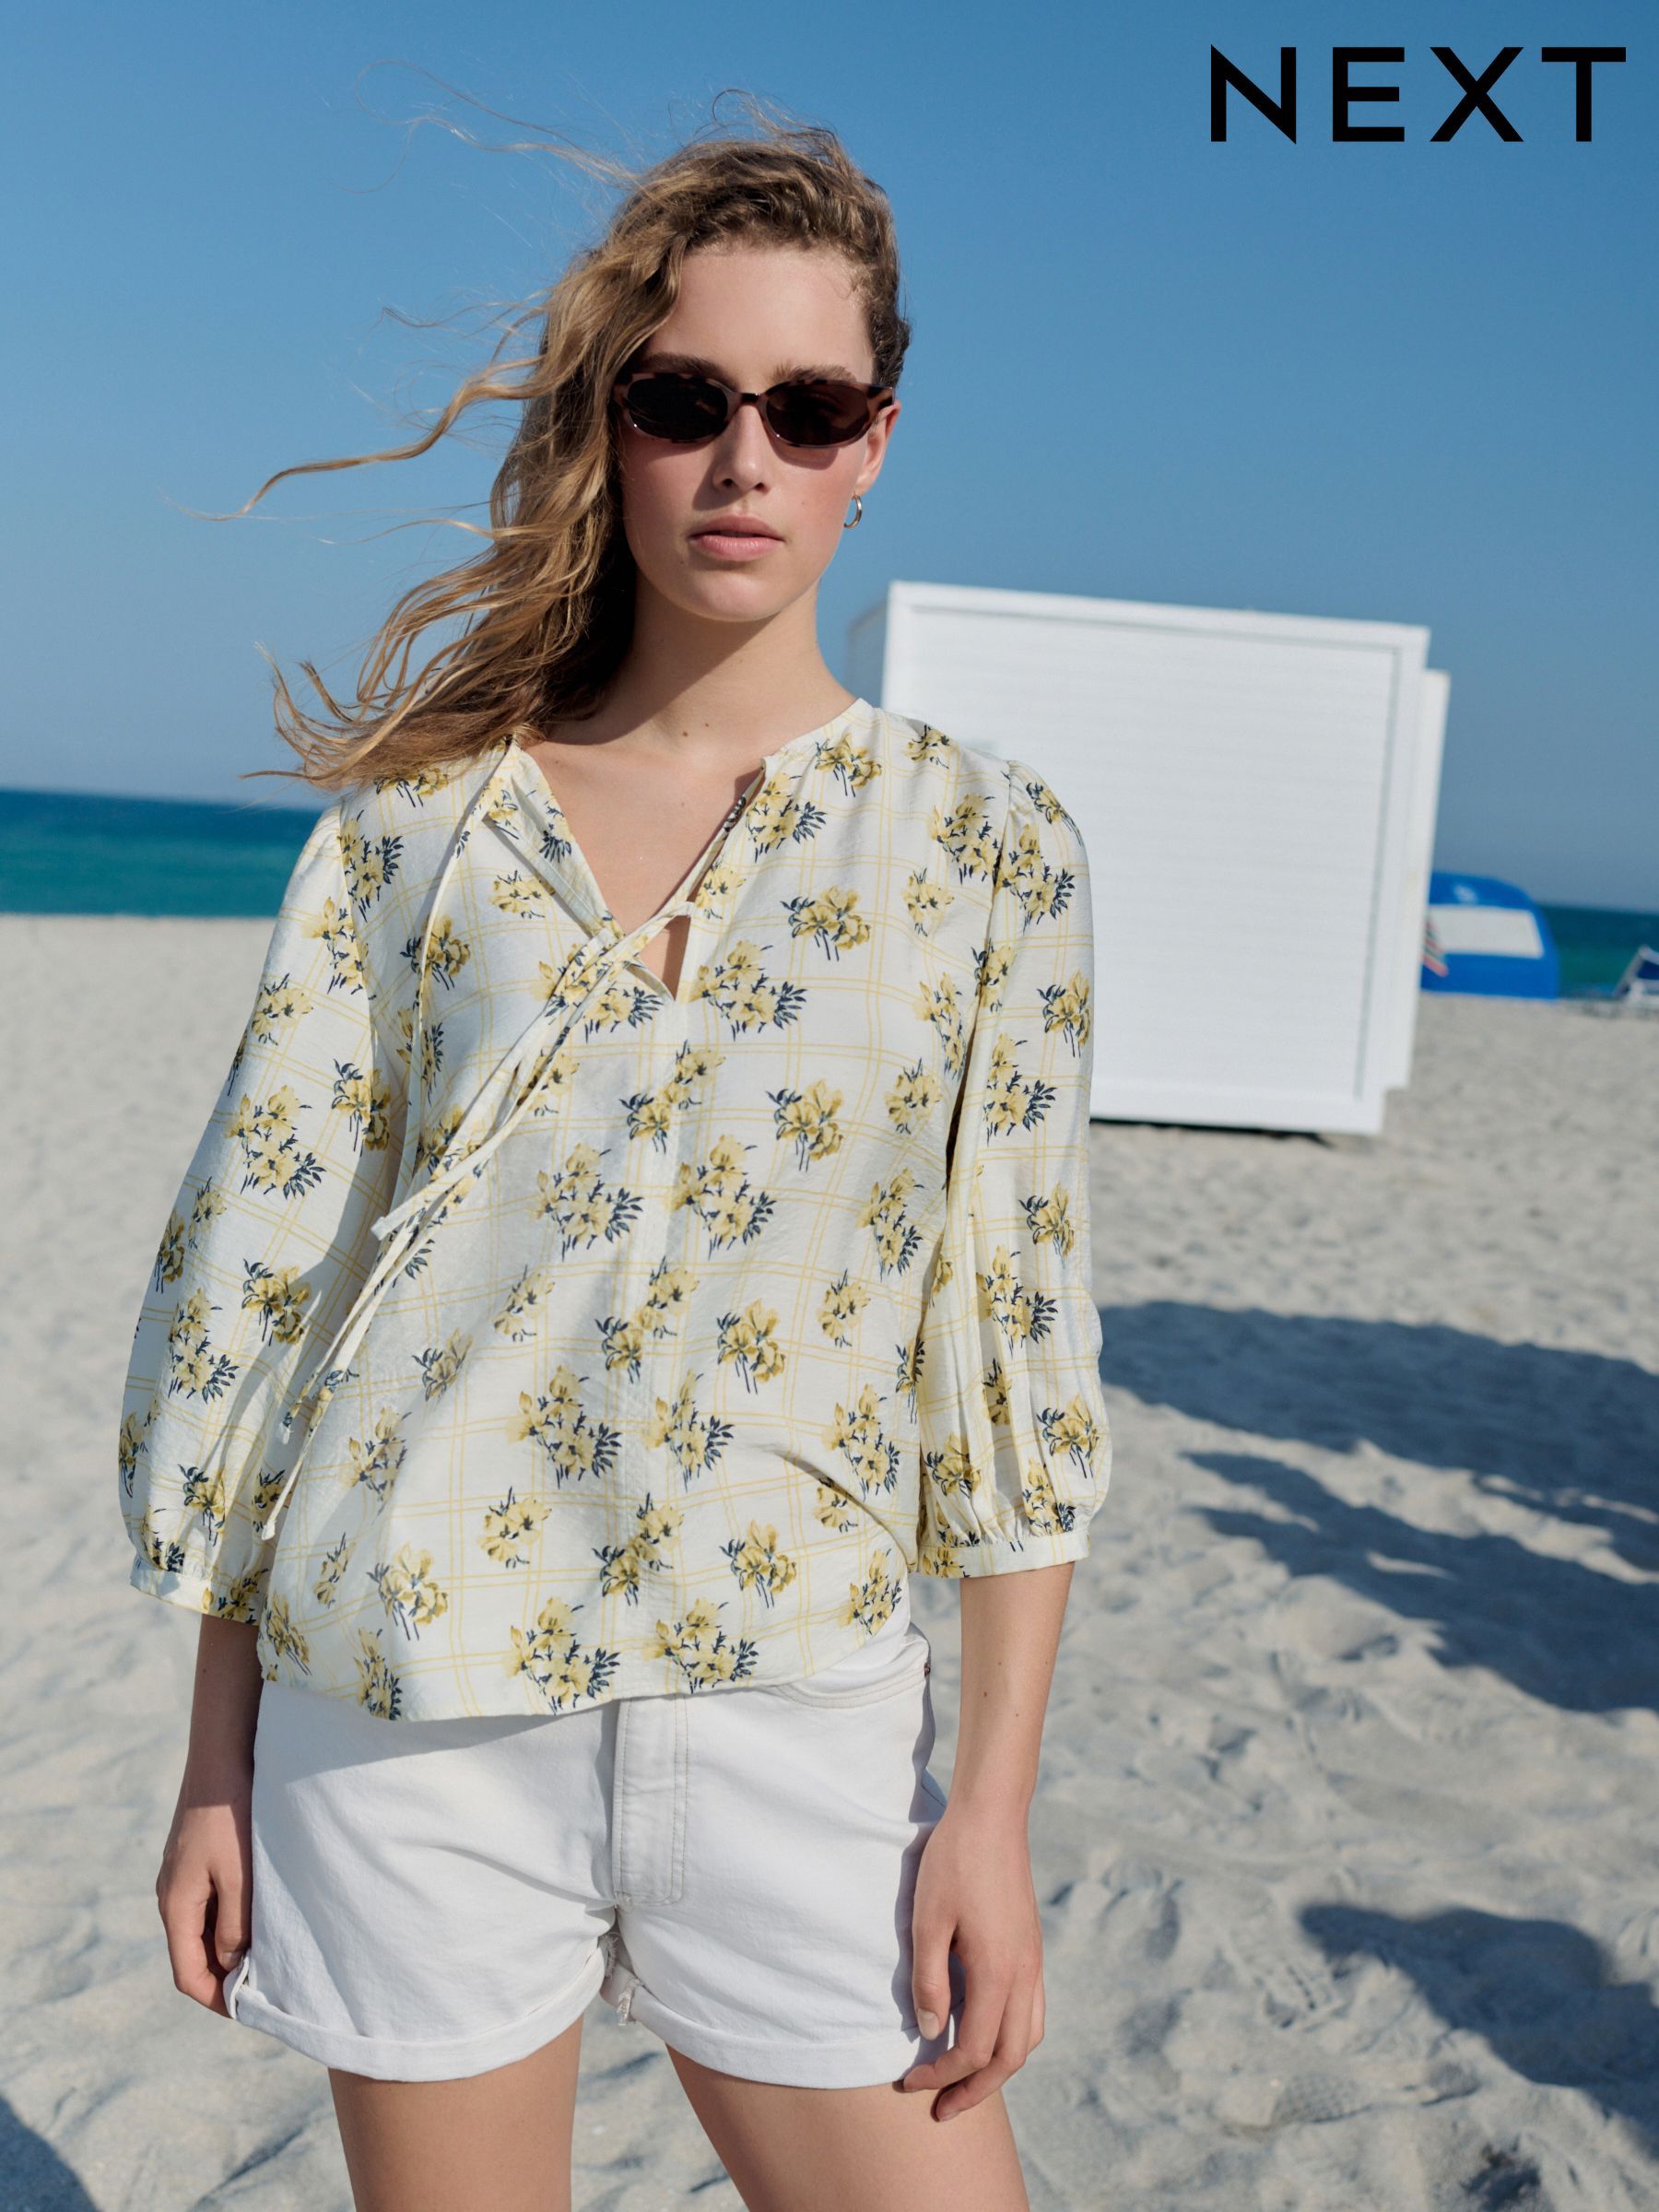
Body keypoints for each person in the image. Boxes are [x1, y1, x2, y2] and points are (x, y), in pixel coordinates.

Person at [119, 103, 1112, 2212]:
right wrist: (218, 1756)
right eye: (684, 401)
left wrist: (992, 1814)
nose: (746, 459)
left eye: (806, 407)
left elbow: (1010, 1345)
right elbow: (264, 1290)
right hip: (409, 1722)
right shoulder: (416, 832)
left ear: (875, 442)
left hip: (803, 1725)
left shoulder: (987, 848)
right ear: (612, 425)